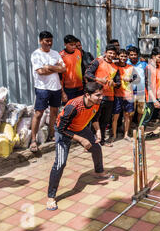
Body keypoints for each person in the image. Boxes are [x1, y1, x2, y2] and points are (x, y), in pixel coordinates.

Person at [46, 82, 111, 211]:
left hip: (80, 128)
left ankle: (99, 171)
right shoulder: (73, 106)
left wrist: (97, 131)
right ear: (87, 95)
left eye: (101, 95)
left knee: (96, 148)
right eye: (98, 95)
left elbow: (95, 117)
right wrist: (81, 140)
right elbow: (60, 128)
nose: (101, 97)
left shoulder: (97, 103)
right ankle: (51, 197)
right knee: (60, 163)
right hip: (64, 132)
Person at [30, 31, 66, 152]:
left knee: (54, 112)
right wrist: (56, 68)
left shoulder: (55, 53)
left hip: (55, 87)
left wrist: (49, 67)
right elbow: (40, 71)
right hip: (42, 88)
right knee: (38, 113)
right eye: (46, 41)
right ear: (41, 41)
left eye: (51, 40)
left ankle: (51, 135)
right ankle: (33, 140)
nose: (49, 43)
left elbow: (64, 69)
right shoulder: (36, 54)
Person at [85, 45, 121, 147]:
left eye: (114, 54)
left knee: (105, 120)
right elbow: (87, 74)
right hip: (97, 97)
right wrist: (99, 80)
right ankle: (91, 141)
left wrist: (113, 84)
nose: (112, 55)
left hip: (110, 97)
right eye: (110, 53)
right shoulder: (98, 61)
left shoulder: (115, 67)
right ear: (105, 52)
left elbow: (118, 83)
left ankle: (102, 140)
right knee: (94, 119)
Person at [111, 49, 135, 142]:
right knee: (115, 116)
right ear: (118, 56)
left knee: (127, 116)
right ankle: (113, 135)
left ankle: (126, 135)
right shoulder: (114, 66)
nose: (123, 58)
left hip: (128, 95)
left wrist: (130, 79)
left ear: (127, 57)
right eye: (121, 56)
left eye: (125, 56)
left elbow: (135, 78)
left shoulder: (131, 67)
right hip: (117, 94)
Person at [60, 35, 83, 103]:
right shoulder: (61, 56)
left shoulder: (78, 52)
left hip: (80, 86)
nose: (73, 47)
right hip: (68, 88)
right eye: (71, 45)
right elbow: (59, 76)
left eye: (74, 45)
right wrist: (62, 92)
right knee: (69, 109)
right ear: (65, 44)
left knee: (79, 108)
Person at [127, 46, 147, 124]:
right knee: (130, 113)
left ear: (138, 55)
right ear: (128, 55)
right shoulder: (126, 64)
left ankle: (139, 128)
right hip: (130, 92)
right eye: (131, 55)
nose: (133, 56)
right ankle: (129, 130)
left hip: (141, 92)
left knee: (141, 112)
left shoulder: (143, 64)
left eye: (135, 54)